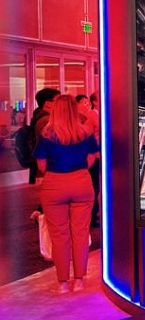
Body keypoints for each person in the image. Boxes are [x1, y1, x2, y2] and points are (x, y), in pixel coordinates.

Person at [33, 94, 99, 293]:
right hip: (81, 182)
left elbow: (41, 165)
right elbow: (92, 159)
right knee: (80, 233)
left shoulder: (46, 134)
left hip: (54, 184)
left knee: (59, 235)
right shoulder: (85, 132)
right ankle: (79, 280)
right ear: (74, 110)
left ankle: (62, 282)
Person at [76, 94, 101, 227]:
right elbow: (87, 136)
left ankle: (94, 214)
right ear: (95, 102)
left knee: (97, 186)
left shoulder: (99, 114)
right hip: (95, 155)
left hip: (97, 155)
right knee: (94, 186)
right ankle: (92, 215)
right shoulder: (91, 116)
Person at [28, 88, 60, 184]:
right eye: (58, 100)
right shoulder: (47, 121)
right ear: (48, 103)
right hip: (49, 170)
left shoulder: (42, 117)